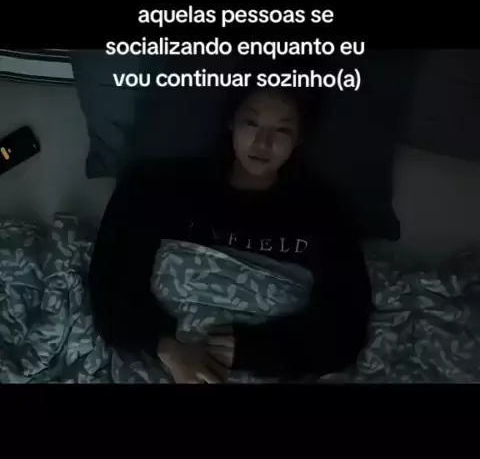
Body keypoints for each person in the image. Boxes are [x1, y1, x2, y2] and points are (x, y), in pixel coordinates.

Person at [89, 79, 372, 383]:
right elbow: (109, 284)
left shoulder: (324, 214)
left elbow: (346, 328)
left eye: (282, 130)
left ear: (299, 137)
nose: (263, 143)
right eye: (251, 123)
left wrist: (249, 350)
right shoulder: (157, 188)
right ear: (231, 121)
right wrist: (167, 347)